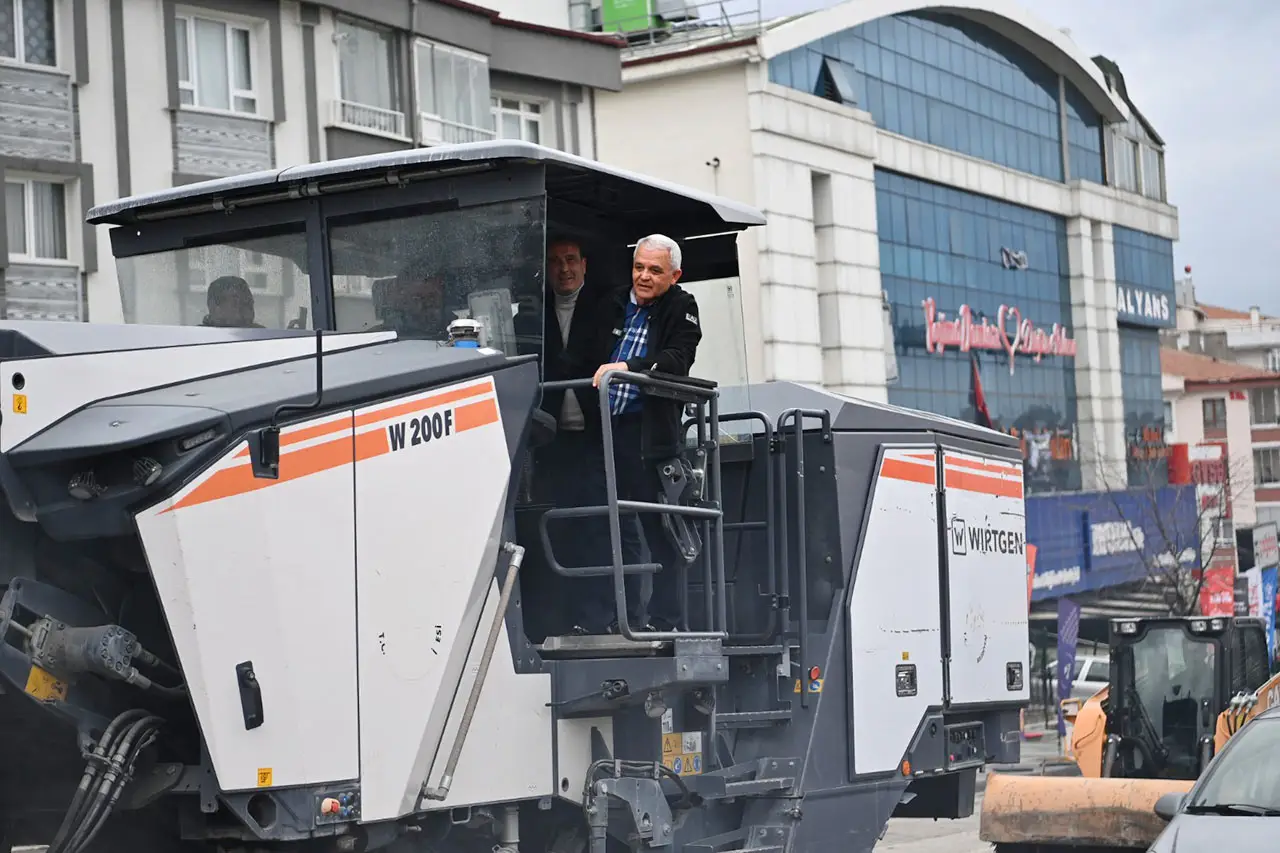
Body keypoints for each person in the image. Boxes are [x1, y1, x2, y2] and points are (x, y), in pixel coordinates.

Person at [591, 234, 701, 633]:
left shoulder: (683, 306)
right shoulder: (613, 303)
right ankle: (608, 620)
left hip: (650, 437)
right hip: (606, 431)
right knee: (605, 526)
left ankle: (664, 622)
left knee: (659, 530)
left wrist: (627, 368)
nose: (643, 276)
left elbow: (677, 359)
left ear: (675, 275)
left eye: (655, 270)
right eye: (639, 267)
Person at [532, 237, 616, 635]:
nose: (563, 269)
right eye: (554, 262)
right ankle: (564, 619)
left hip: (594, 437)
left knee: (596, 527)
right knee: (557, 528)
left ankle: (598, 618)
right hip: (552, 440)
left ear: (584, 264)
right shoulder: (531, 314)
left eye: (570, 260)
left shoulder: (605, 307)